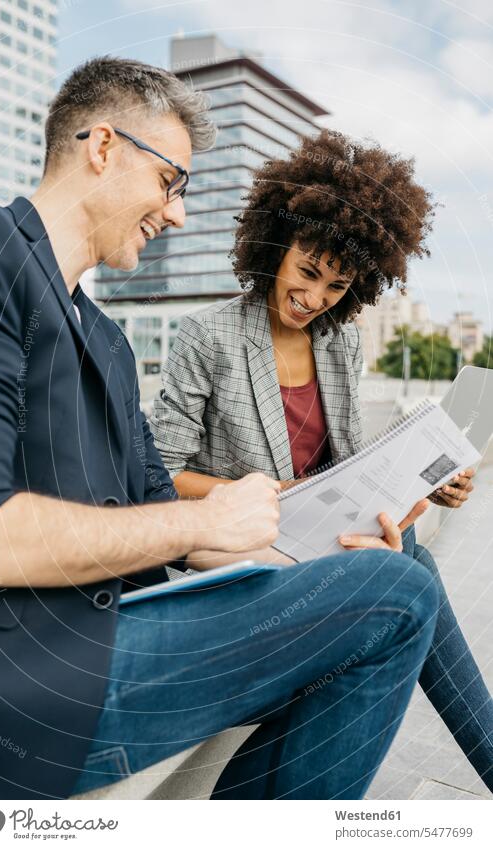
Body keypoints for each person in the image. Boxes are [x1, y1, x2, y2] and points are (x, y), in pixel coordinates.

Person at [0, 58, 438, 801]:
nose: (177, 212)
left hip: (119, 634)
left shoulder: (110, 346)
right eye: (169, 181)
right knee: (399, 597)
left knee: (390, 574)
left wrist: (308, 560)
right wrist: (204, 513)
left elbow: (182, 530)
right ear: (103, 147)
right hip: (20, 685)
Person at [150, 130, 493, 791]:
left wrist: (428, 482)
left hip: (317, 546)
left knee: (406, 553)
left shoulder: (339, 344)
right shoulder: (207, 336)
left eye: (337, 286)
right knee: (411, 571)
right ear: (276, 245)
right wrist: (260, 491)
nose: (315, 297)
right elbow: (158, 474)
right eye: (307, 272)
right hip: (241, 559)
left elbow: (344, 463)